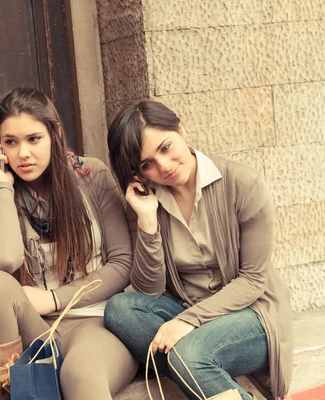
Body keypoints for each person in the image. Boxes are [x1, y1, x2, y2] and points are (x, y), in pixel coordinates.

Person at [104, 99, 292, 400]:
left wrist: (187, 321)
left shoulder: (242, 183)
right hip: (188, 309)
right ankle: (202, 371)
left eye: (165, 147)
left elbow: (253, 280)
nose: (163, 166)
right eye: (146, 164)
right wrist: (148, 220)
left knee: (188, 354)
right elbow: (148, 291)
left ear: (180, 129)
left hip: (251, 314)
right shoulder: (146, 201)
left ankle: (195, 364)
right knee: (120, 309)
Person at [0, 87, 138, 400]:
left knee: (81, 374)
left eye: (34, 139)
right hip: (34, 330)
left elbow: (122, 263)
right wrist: (3, 188)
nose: (23, 154)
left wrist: (55, 299)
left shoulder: (91, 176)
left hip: (94, 323)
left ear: (55, 133)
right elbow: (2, 260)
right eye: (11, 142)